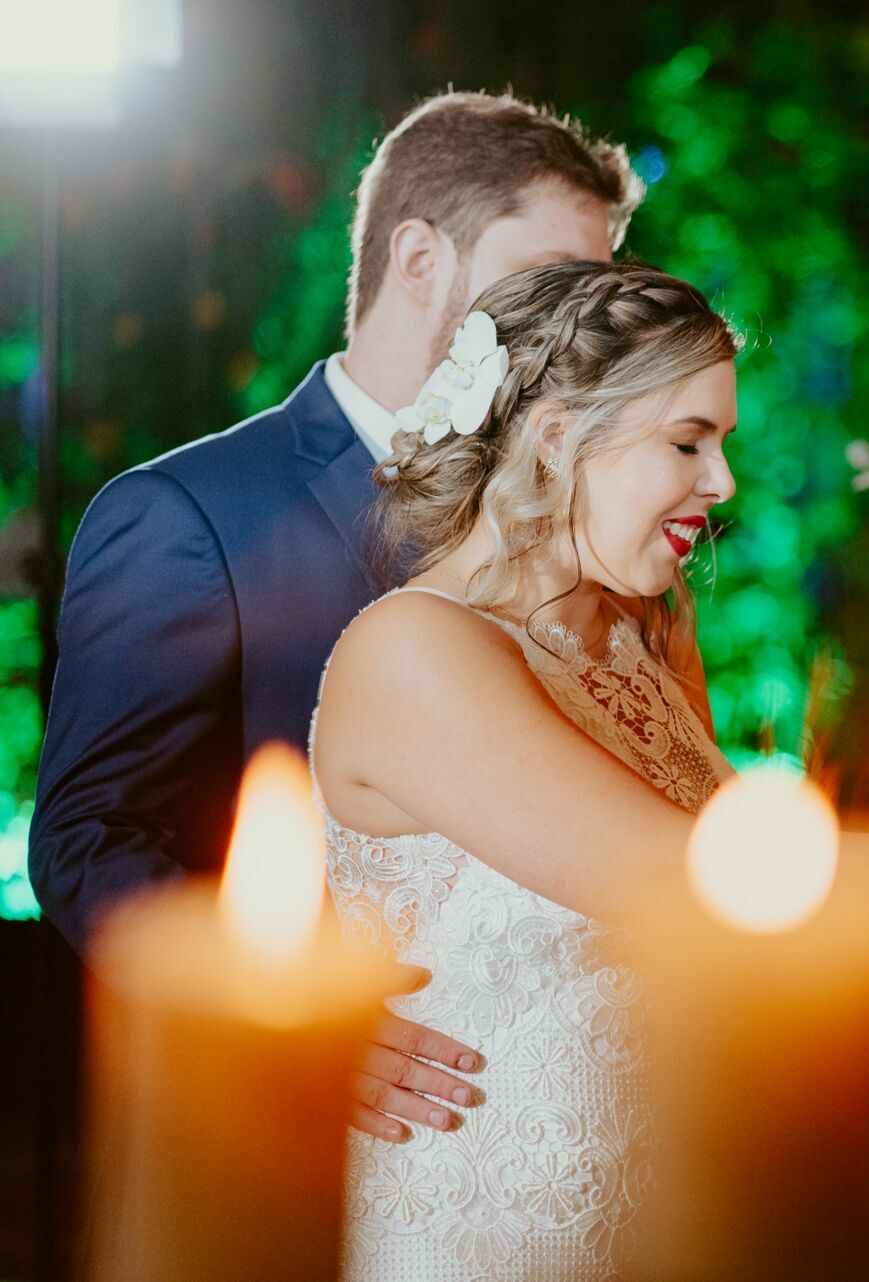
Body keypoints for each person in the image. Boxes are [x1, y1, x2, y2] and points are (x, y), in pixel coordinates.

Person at [312, 258, 869, 1280]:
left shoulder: (647, 630)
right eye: (687, 442)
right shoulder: (412, 650)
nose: (723, 484)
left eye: (723, 443)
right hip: (491, 1238)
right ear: (557, 437)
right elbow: (686, 880)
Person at [29, 90, 640, 1144]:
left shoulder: (575, 521)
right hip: (291, 1120)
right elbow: (89, 840)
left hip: (558, 1111)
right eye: (549, 280)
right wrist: (292, 1015)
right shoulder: (188, 513)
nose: (574, 324)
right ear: (420, 259)